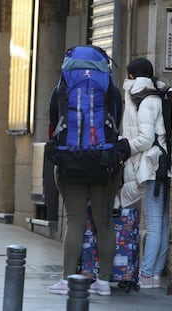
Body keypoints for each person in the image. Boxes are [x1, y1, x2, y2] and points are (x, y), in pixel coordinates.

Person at [47, 84, 124, 296]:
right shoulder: (110, 90)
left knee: (75, 222)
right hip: (103, 164)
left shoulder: (61, 90)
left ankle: (67, 279)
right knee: (105, 223)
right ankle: (104, 282)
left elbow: (54, 124)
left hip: (70, 164)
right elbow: (116, 124)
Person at [120, 58, 170, 289]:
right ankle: (156, 272)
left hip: (151, 165)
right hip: (163, 163)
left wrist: (124, 147)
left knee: (154, 221)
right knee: (163, 221)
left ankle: (148, 273)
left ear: (131, 76)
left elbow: (145, 138)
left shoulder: (143, 98)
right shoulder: (156, 94)